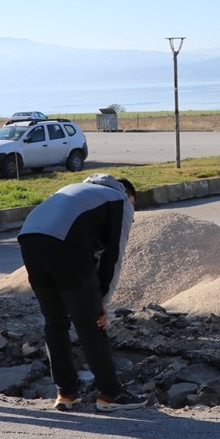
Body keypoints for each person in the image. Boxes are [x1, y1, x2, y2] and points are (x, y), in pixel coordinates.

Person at [17, 174, 149, 412]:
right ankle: (110, 394)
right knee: (91, 322)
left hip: (29, 241)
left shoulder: (78, 191)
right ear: (130, 195)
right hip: (65, 246)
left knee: (55, 322)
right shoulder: (120, 200)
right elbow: (113, 257)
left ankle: (65, 393)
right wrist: (102, 302)